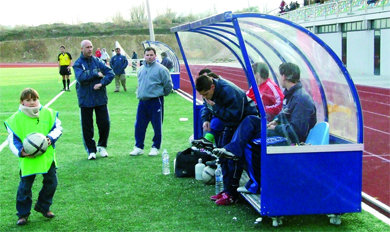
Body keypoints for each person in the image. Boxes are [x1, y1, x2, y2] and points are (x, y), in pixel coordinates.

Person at [211, 62, 317, 204]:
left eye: (281, 75)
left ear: (284, 76)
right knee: (251, 120)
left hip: (292, 139)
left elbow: (297, 131)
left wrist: (275, 128)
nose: (279, 77)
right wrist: (277, 121)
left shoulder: (301, 99)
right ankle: (232, 150)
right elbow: (285, 114)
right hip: (282, 131)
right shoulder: (293, 95)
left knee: (252, 144)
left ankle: (257, 185)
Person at [192, 74, 258, 205]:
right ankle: (227, 190)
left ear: (212, 87)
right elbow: (208, 106)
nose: (205, 97)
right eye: (202, 95)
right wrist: (206, 118)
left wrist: (215, 108)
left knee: (232, 158)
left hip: (245, 123)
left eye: (206, 94)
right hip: (231, 124)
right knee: (222, 156)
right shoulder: (211, 92)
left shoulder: (229, 91)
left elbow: (234, 116)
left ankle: (232, 195)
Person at [4, 88, 63, 226]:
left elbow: (58, 129)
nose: (32, 102)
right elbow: (13, 140)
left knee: (52, 183)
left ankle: (43, 206)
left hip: (46, 157)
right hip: (28, 159)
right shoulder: (15, 119)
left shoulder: (49, 113)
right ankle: (23, 214)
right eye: (28, 100)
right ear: (22, 102)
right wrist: (21, 152)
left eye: (34, 99)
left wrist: (50, 138)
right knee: (25, 187)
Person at [73, 40, 115, 160]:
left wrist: (101, 83)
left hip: (100, 98)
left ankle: (102, 146)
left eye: (91, 47)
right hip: (85, 99)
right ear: (82, 49)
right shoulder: (78, 64)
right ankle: (91, 150)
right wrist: (96, 73)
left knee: (104, 123)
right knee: (87, 126)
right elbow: (81, 78)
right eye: (87, 47)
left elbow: (110, 73)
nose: (90, 49)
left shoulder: (98, 61)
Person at [129, 47, 173, 156]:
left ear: (155, 56)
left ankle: (155, 147)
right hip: (142, 102)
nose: (149, 57)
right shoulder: (141, 69)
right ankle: (139, 147)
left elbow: (168, 85)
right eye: (147, 55)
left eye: (151, 55)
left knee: (157, 125)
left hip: (155, 101)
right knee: (139, 125)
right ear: (144, 56)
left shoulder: (162, 69)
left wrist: (162, 94)